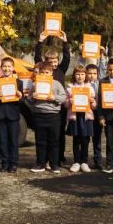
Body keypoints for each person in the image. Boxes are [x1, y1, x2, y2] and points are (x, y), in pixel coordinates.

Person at [35, 32, 71, 166]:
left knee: (59, 134)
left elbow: (67, 57)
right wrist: (40, 41)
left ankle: (58, 158)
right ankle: (44, 159)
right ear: (46, 62)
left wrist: (65, 42)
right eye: (50, 62)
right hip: (44, 106)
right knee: (44, 136)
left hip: (58, 106)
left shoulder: (61, 70)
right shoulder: (43, 70)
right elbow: (37, 57)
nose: (53, 64)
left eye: (55, 61)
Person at [26, 61, 67, 174]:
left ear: (51, 73)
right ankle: (40, 163)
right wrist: (32, 97)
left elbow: (63, 97)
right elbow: (29, 99)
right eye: (42, 72)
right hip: (39, 115)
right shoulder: (35, 84)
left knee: (54, 141)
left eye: (47, 72)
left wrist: (54, 97)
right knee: (40, 141)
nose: (44, 74)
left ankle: (54, 164)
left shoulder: (57, 84)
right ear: (39, 73)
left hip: (53, 116)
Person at [64, 65, 96, 173]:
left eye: (82, 74)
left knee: (85, 140)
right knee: (76, 140)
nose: (80, 76)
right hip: (75, 117)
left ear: (85, 75)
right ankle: (76, 162)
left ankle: (84, 162)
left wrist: (92, 102)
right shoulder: (70, 88)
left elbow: (94, 106)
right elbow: (65, 104)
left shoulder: (90, 88)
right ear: (74, 75)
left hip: (86, 117)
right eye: (77, 74)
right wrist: (69, 102)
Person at [85, 63, 103, 169]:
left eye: (94, 73)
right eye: (89, 73)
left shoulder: (100, 84)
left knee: (97, 138)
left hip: (97, 113)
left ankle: (98, 160)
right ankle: (84, 160)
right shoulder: (83, 85)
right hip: (86, 113)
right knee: (86, 137)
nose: (92, 75)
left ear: (97, 74)